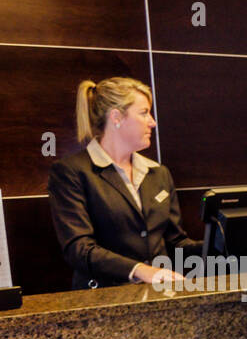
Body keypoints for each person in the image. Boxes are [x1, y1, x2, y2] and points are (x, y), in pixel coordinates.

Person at [47, 77, 194, 289]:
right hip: (103, 301)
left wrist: (225, 245)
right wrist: (141, 271)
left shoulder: (158, 173)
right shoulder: (71, 172)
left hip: (160, 299)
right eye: (144, 113)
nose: (152, 122)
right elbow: (79, 249)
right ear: (116, 117)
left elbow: (175, 243)